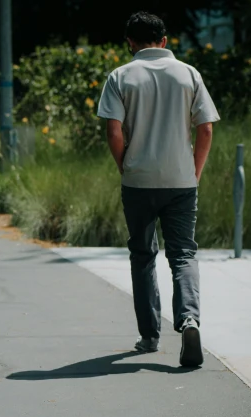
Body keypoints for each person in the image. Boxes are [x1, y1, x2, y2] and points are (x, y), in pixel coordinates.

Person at [97, 12, 220, 367]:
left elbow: (114, 131)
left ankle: (150, 336)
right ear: (164, 41)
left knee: (143, 255)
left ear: (130, 42)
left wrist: (126, 167)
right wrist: (194, 172)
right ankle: (189, 321)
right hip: (181, 180)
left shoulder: (120, 76)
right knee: (182, 254)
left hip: (138, 181)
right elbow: (206, 128)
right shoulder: (189, 74)